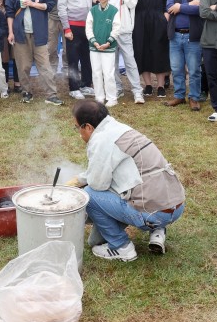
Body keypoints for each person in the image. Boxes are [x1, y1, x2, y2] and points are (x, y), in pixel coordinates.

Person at [66, 101, 186, 261]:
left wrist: (77, 186)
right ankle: (158, 231)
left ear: (88, 127)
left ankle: (122, 247)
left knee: (89, 195)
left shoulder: (101, 140)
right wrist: (78, 180)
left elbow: (97, 185)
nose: (78, 133)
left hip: (155, 213)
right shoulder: (119, 129)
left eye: (77, 127)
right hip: (176, 205)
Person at [5, 0, 61, 105]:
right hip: (20, 33)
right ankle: (26, 91)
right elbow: (9, 12)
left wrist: (33, 4)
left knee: (45, 65)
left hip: (39, 32)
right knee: (23, 66)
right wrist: (10, 32)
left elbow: (50, 4)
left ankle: (52, 94)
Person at [166, 0, 206, 111]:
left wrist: (180, 7)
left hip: (193, 35)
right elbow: (169, 7)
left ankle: (194, 97)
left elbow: (200, 9)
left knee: (194, 69)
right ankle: (179, 95)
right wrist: (189, 5)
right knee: (176, 68)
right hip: (175, 35)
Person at [57, 0, 95, 100]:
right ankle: (73, 88)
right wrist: (66, 28)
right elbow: (61, 5)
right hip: (73, 24)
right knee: (73, 58)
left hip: (88, 24)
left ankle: (86, 84)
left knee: (87, 56)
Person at [106, 0, 144, 103]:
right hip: (109, 29)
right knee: (112, 61)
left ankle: (137, 90)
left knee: (129, 61)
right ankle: (118, 87)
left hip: (124, 29)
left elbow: (132, 3)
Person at [132, 0, 170, 99]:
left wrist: (165, 17)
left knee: (159, 52)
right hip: (139, 23)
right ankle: (147, 84)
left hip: (158, 23)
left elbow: (168, 3)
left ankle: (160, 86)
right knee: (142, 52)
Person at [86, 0, 119, 106]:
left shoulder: (114, 11)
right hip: (94, 48)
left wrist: (108, 42)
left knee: (108, 73)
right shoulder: (93, 11)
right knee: (96, 72)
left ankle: (112, 98)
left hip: (108, 48)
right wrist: (94, 42)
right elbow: (88, 28)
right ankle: (99, 96)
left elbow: (116, 29)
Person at [42, 0, 68, 79]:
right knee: (51, 47)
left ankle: (66, 68)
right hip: (52, 17)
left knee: (68, 46)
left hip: (67, 17)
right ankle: (52, 69)